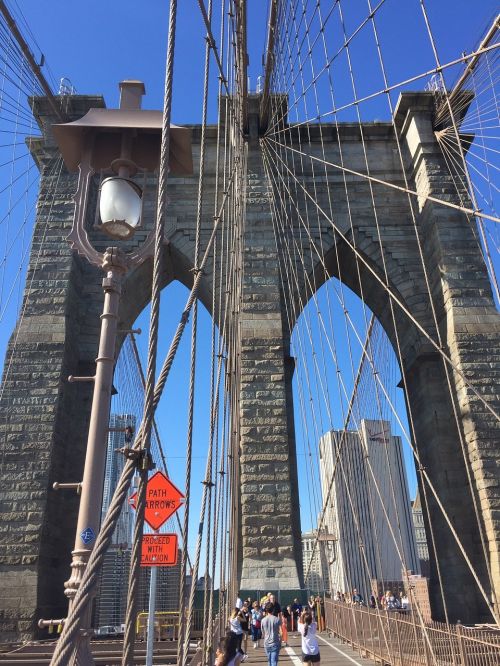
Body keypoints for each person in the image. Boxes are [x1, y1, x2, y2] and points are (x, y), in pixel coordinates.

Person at [261, 602, 281, 666]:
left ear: (266, 610)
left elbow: (263, 633)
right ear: (273, 610)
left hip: (266, 642)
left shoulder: (263, 620)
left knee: (269, 661)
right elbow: (281, 632)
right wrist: (280, 641)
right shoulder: (277, 619)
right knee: (274, 661)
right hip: (275, 642)